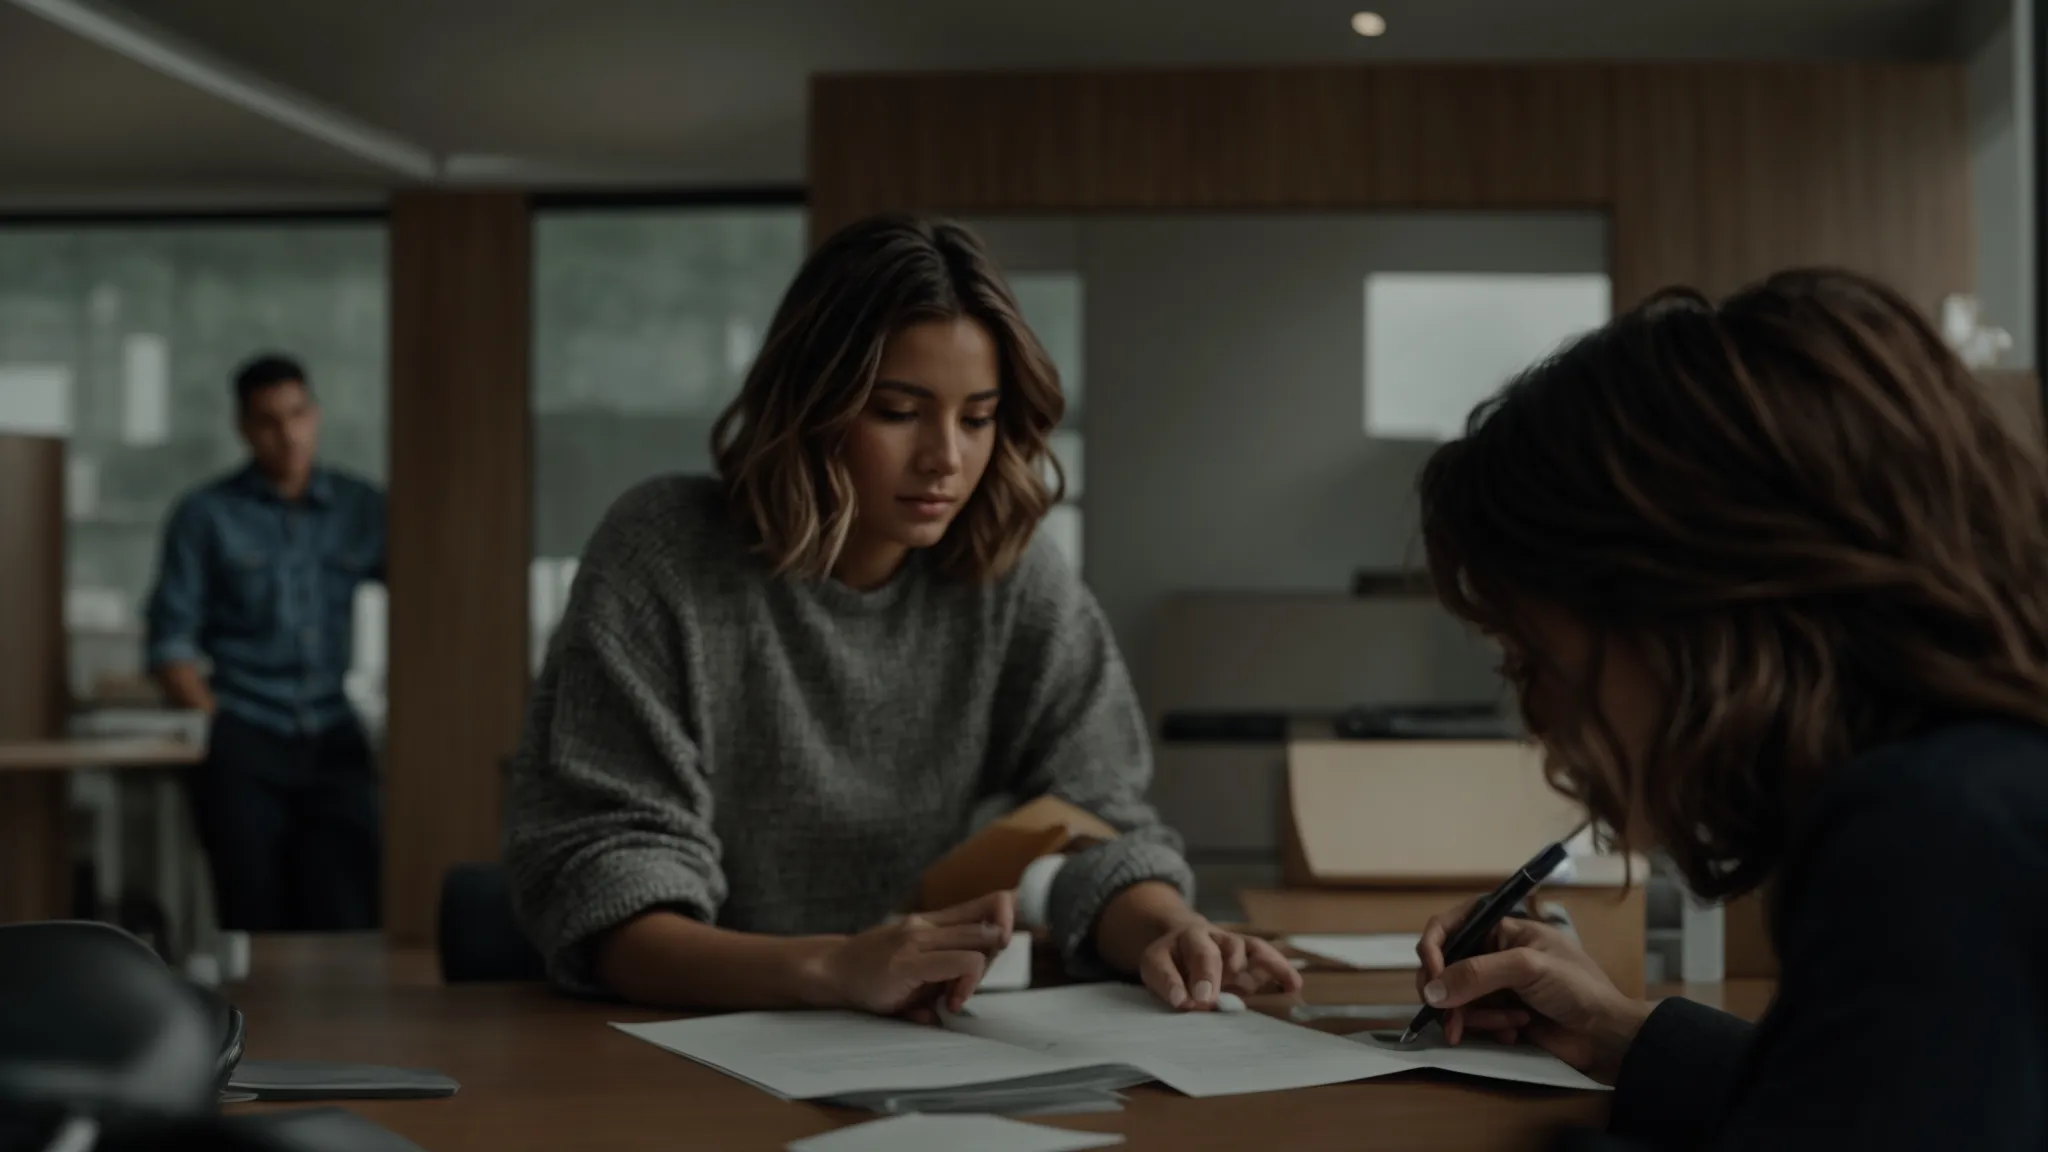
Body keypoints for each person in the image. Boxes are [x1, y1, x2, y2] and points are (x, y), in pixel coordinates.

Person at [504, 213, 1300, 1018]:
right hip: (676, 1036)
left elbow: (1100, 820)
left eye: (977, 418)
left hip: (908, 1038)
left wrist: (1168, 929)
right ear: (809, 405)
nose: (945, 457)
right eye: (896, 411)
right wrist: (831, 970)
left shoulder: (1012, 573)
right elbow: (607, 890)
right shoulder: (664, 554)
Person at [1409, 269, 2048, 1149]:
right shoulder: (1982, 783)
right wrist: (1616, 1029)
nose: (1537, 715)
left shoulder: (1931, 835)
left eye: (1536, 659)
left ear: (1686, 609)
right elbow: (1870, 1103)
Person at [144, 354, 386, 933]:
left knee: (350, 914)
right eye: (269, 421)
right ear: (244, 428)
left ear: (315, 415)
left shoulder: (362, 506)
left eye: (298, 415)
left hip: (332, 731)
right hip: (247, 730)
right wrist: (217, 721)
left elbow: (435, 605)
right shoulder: (206, 515)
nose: (288, 434)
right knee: (253, 918)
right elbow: (170, 642)